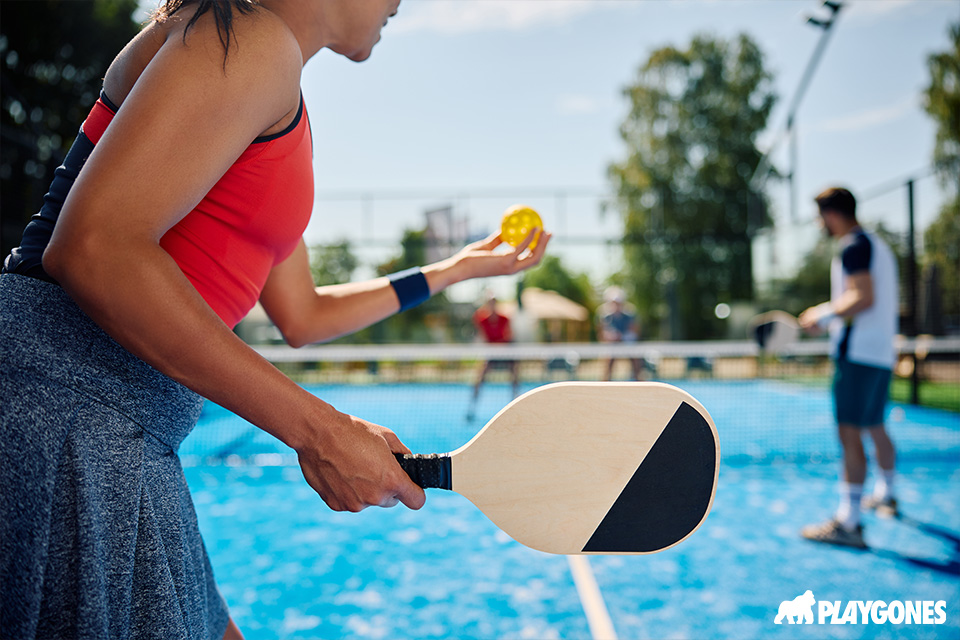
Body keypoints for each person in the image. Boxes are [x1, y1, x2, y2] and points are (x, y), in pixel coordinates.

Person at [0, 1, 551, 638]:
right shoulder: (251, 38)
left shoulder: (272, 86)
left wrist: (453, 271)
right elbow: (95, 248)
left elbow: (303, 316)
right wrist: (320, 431)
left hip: (126, 423)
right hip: (66, 406)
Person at [798, 187, 899, 549]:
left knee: (849, 434)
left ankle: (849, 522)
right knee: (875, 426)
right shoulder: (878, 246)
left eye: (820, 216)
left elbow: (862, 296)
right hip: (880, 354)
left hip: (857, 356)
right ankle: (887, 493)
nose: (819, 223)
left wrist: (822, 316)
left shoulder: (854, 246)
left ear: (833, 215)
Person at [466, 292, 520, 421]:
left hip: (505, 351)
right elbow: (480, 328)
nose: (492, 304)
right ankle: (471, 408)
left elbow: (509, 335)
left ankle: (517, 403)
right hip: (491, 353)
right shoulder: (482, 319)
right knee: (479, 378)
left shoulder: (504, 318)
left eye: (494, 302)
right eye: (490, 302)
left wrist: (502, 347)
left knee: (515, 375)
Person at [597, 286, 645, 381]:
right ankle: (605, 383)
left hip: (627, 344)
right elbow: (602, 334)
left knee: (635, 359)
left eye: (618, 303)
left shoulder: (629, 315)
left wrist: (622, 337)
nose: (616, 305)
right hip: (612, 346)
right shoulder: (606, 317)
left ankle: (639, 380)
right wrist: (610, 337)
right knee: (608, 360)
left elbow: (634, 331)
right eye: (614, 303)